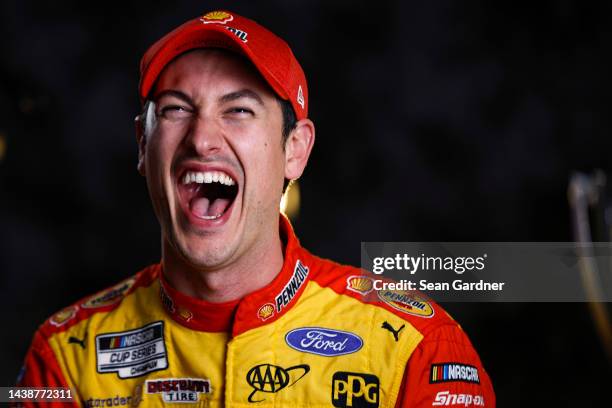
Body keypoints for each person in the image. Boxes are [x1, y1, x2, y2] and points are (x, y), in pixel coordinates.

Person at [16, 10, 495, 407]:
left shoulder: (416, 348)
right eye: (176, 109)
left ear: (295, 149)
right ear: (143, 145)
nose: (202, 139)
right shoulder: (64, 360)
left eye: (238, 109)